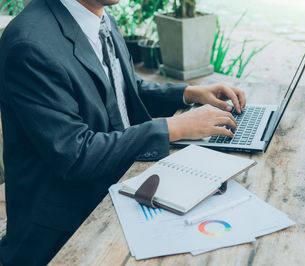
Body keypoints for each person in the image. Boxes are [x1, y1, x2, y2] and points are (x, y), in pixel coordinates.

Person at [0, 0, 246, 265]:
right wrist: (173, 127)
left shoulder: (98, 17)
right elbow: (76, 154)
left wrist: (187, 94)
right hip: (68, 227)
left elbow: (119, 90)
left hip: (121, 183)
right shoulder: (30, 45)